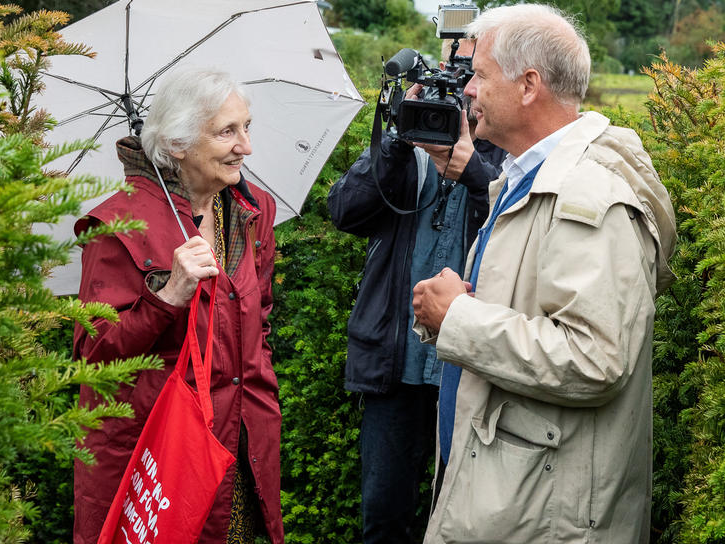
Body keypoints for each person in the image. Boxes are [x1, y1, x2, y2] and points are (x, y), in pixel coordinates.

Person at [411, 4, 676, 544]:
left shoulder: (587, 196)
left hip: (546, 518)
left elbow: (595, 358)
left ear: (528, 85)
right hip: (515, 500)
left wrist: (457, 318)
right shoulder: (525, 178)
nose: (467, 91)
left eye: (481, 76)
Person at [72, 67, 284, 544]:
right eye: (227, 132)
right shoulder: (117, 226)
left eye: (246, 127)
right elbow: (93, 355)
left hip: (243, 447)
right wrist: (166, 298)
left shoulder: (251, 215)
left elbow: (260, 321)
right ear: (178, 143)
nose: (245, 146)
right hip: (158, 455)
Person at [328, 40, 506, 544]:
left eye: (473, 72)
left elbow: (515, 228)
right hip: (396, 363)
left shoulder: (506, 153)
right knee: (384, 515)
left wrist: (474, 172)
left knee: (462, 518)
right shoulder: (407, 144)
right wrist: (397, 140)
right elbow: (345, 211)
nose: (462, 84)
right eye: (452, 69)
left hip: (469, 365)